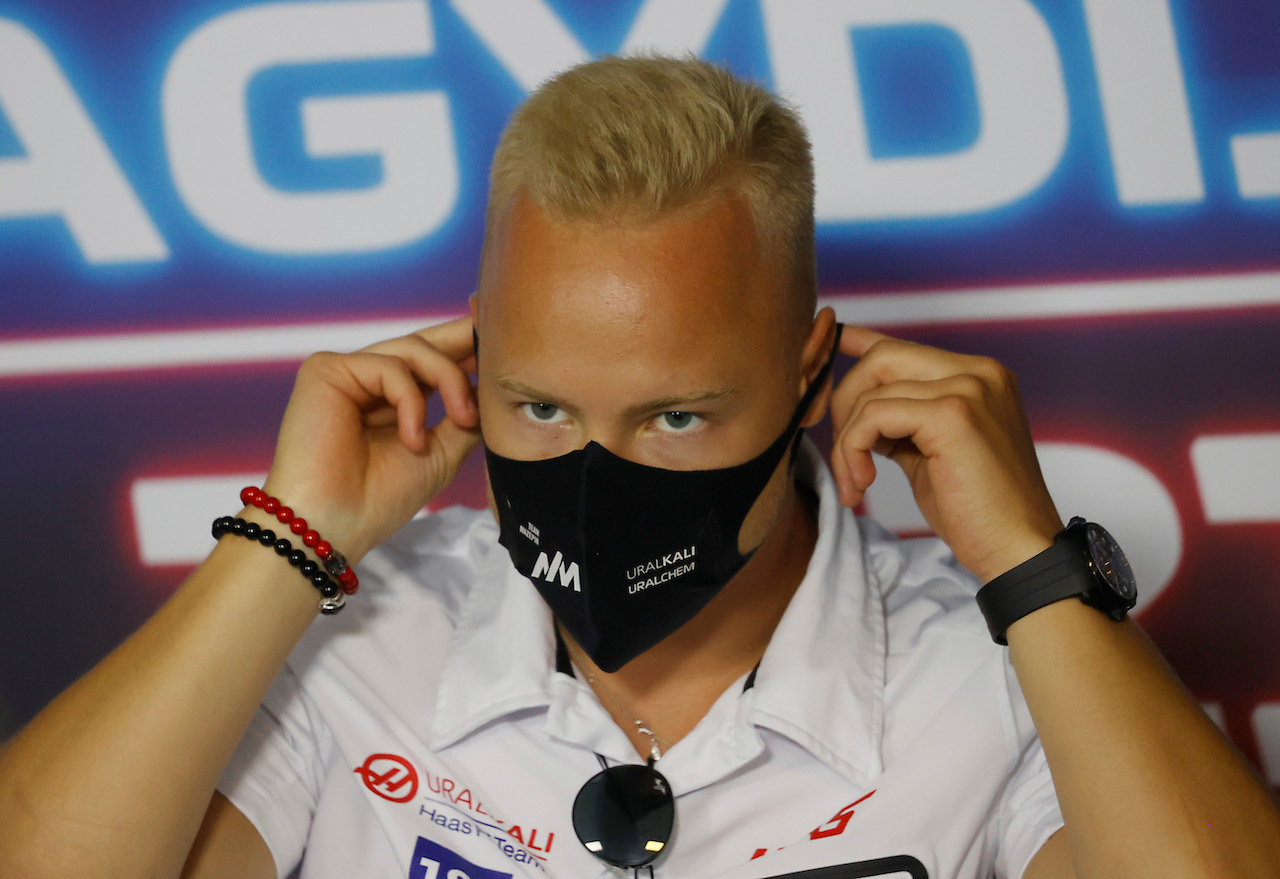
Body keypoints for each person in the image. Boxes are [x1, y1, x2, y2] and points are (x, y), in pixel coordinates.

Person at [2, 55, 1279, 879]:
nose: (594, 471)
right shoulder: (347, 637)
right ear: (476, 358)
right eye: (541, 403)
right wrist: (288, 541)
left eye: (675, 417)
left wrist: (1030, 572)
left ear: (806, 364)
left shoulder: (993, 676)